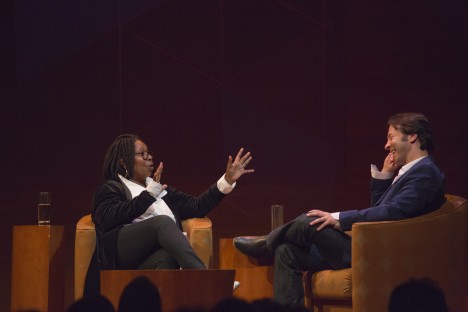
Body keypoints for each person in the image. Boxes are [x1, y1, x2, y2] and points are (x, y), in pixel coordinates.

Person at [234, 112, 445, 306]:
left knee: (310, 221)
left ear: (412, 137)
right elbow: (381, 211)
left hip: (381, 253)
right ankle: (275, 247)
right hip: (371, 246)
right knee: (286, 251)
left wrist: (337, 218)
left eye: (391, 137)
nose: (386, 144)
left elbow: (393, 213)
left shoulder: (425, 172)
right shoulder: (411, 173)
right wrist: (385, 175)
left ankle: (267, 243)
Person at [92, 134, 254, 270]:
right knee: (162, 222)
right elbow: (107, 218)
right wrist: (148, 195)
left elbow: (195, 206)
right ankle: (205, 278)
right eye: (142, 154)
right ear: (123, 161)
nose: (149, 157)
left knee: (166, 259)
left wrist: (226, 181)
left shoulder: (158, 189)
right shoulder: (112, 187)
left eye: (149, 153)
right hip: (120, 253)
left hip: (148, 258)